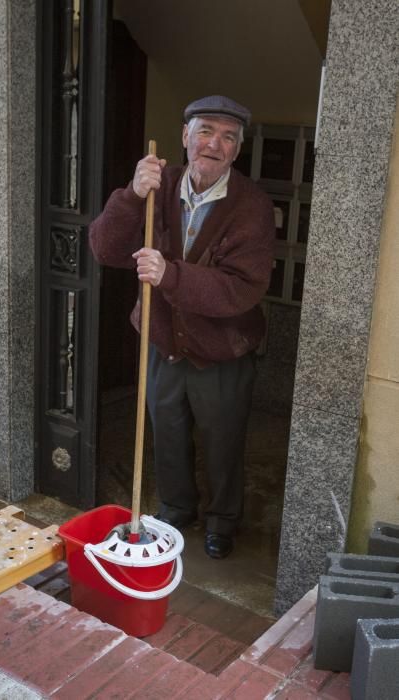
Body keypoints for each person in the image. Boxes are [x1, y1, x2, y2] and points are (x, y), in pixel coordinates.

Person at [90, 95, 275, 559]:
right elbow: (105, 249)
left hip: (222, 348)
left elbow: (242, 288)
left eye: (228, 137)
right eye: (206, 131)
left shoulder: (251, 205)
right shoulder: (158, 185)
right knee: (166, 427)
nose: (215, 143)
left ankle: (221, 520)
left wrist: (170, 274)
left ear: (236, 150)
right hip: (163, 337)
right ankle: (177, 509)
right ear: (185, 138)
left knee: (222, 439)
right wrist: (132, 194)